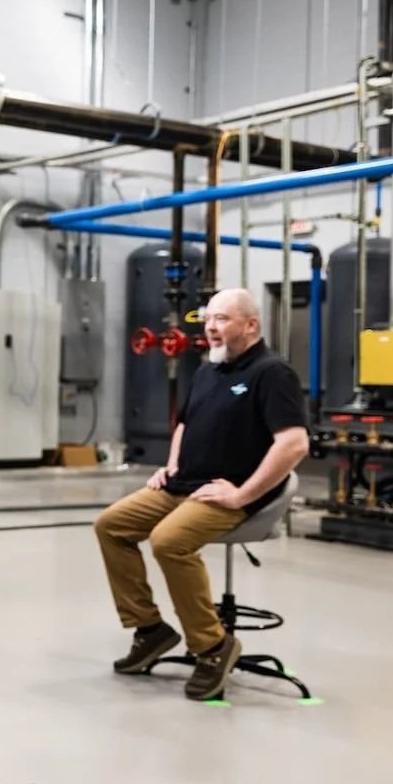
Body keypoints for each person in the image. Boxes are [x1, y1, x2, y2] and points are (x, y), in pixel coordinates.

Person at [93, 288, 309, 701]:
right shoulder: (209, 370)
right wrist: (172, 464)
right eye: (208, 319)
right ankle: (150, 629)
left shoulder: (271, 373)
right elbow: (185, 425)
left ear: (251, 325)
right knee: (111, 526)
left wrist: (242, 495)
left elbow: (294, 443)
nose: (210, 327)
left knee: (168, 542)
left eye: (222, 319)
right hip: (184, 483)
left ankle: (212, 646)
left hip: (230, 493)